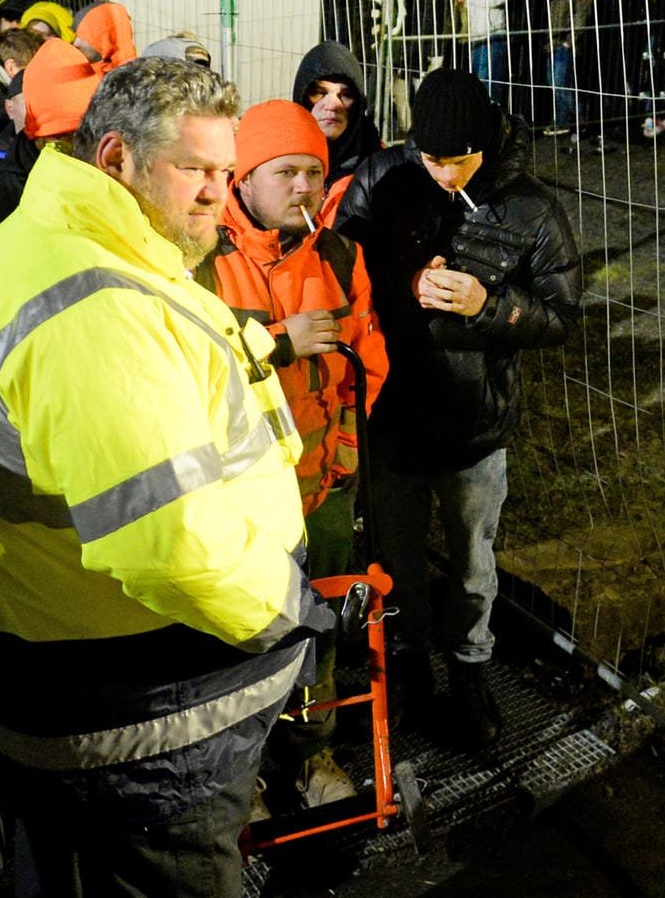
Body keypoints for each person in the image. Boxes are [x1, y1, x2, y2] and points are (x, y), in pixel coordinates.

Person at [0, 57, 329, 898]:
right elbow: (174, 549)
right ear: (115, 156)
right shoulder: (96, 305)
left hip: (59, 669)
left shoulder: (34, 247)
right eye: (193, 168)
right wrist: (290, 610)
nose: (216, 195)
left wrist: (257, 347)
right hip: (143, 717)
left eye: (227, 172)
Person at [336, 68, 581, 747]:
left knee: (475, 563)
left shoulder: (531, 209)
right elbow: (336, 263)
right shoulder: (383, 178)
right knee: (397, 557)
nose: (444, 174)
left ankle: (471, 670)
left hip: (477, 425)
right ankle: (410, 662)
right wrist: (403, 280)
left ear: (487, 144)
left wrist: (491, 305)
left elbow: (561, 316)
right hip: (389, 414)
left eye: (459, 160)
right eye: (430, 158)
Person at [197, 100, 387, 810]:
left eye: (314, 170)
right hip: (235, 504)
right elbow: (188, 367)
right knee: (236, 637)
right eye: (285, 171)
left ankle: (311, 757)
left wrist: (342, 457)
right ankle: (238, 776)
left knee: (319, 634)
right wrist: (277, 339)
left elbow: (369, 361)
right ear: (244, 177)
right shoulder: (200, 260)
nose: (303, 185)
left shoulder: (340, 255)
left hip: (322, 492)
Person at [290, 41, 382, 222]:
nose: (332, 105)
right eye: (319, 93)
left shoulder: (378, 169)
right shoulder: (276, 161)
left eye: (345, 95)